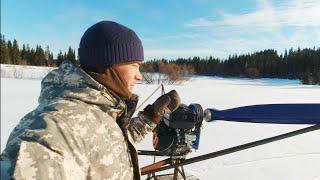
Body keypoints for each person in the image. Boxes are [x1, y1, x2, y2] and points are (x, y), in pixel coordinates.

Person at [0, 21, 181, 179]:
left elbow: (108, 142)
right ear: (110, 63)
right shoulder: (55, 127)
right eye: (134, 65)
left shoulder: (98, 112)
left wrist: (151, 117)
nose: (139, 76)